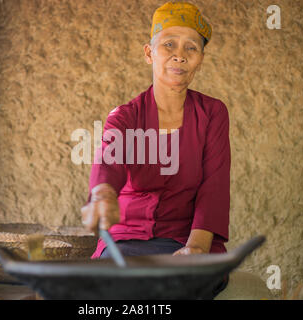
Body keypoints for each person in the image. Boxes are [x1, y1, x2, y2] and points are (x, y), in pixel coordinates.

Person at [81, 2, 230, 299]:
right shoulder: (125, 116)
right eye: (169, 44)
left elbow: (214, 186)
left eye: (192, 48)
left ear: (200, 59)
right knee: (111, 289)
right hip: (127, 242)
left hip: (187, 240)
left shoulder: (213, 113)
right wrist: (103, 194)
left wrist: (197, 248)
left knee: (183, 286)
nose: (180, 55)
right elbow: (108, 162)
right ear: (149, 53)